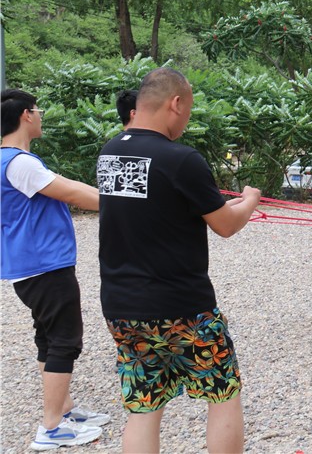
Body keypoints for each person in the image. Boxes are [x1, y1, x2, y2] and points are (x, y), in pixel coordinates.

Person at [97, 68, 261, 453]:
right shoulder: (181, 159)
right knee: (222, 393)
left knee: (144, 405)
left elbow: (156, 204)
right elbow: (225, 224)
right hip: (183, 308)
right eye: (188, 109)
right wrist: (250, 200)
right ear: (175, 103)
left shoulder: (110, 152)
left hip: (123, 307)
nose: (186, 119)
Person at [2, 89, 110, 451]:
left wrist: (110, 197)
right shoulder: (20, 163)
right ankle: (51, 427)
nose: (41, 116)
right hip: (44, 265)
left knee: (48, 337)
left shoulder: (11, 160)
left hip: (30, 266)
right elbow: (72, 194)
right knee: (65, 340)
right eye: (38, 110)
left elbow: (70, 186)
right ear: (26, 115)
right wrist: (124, 204)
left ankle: (64, 410)